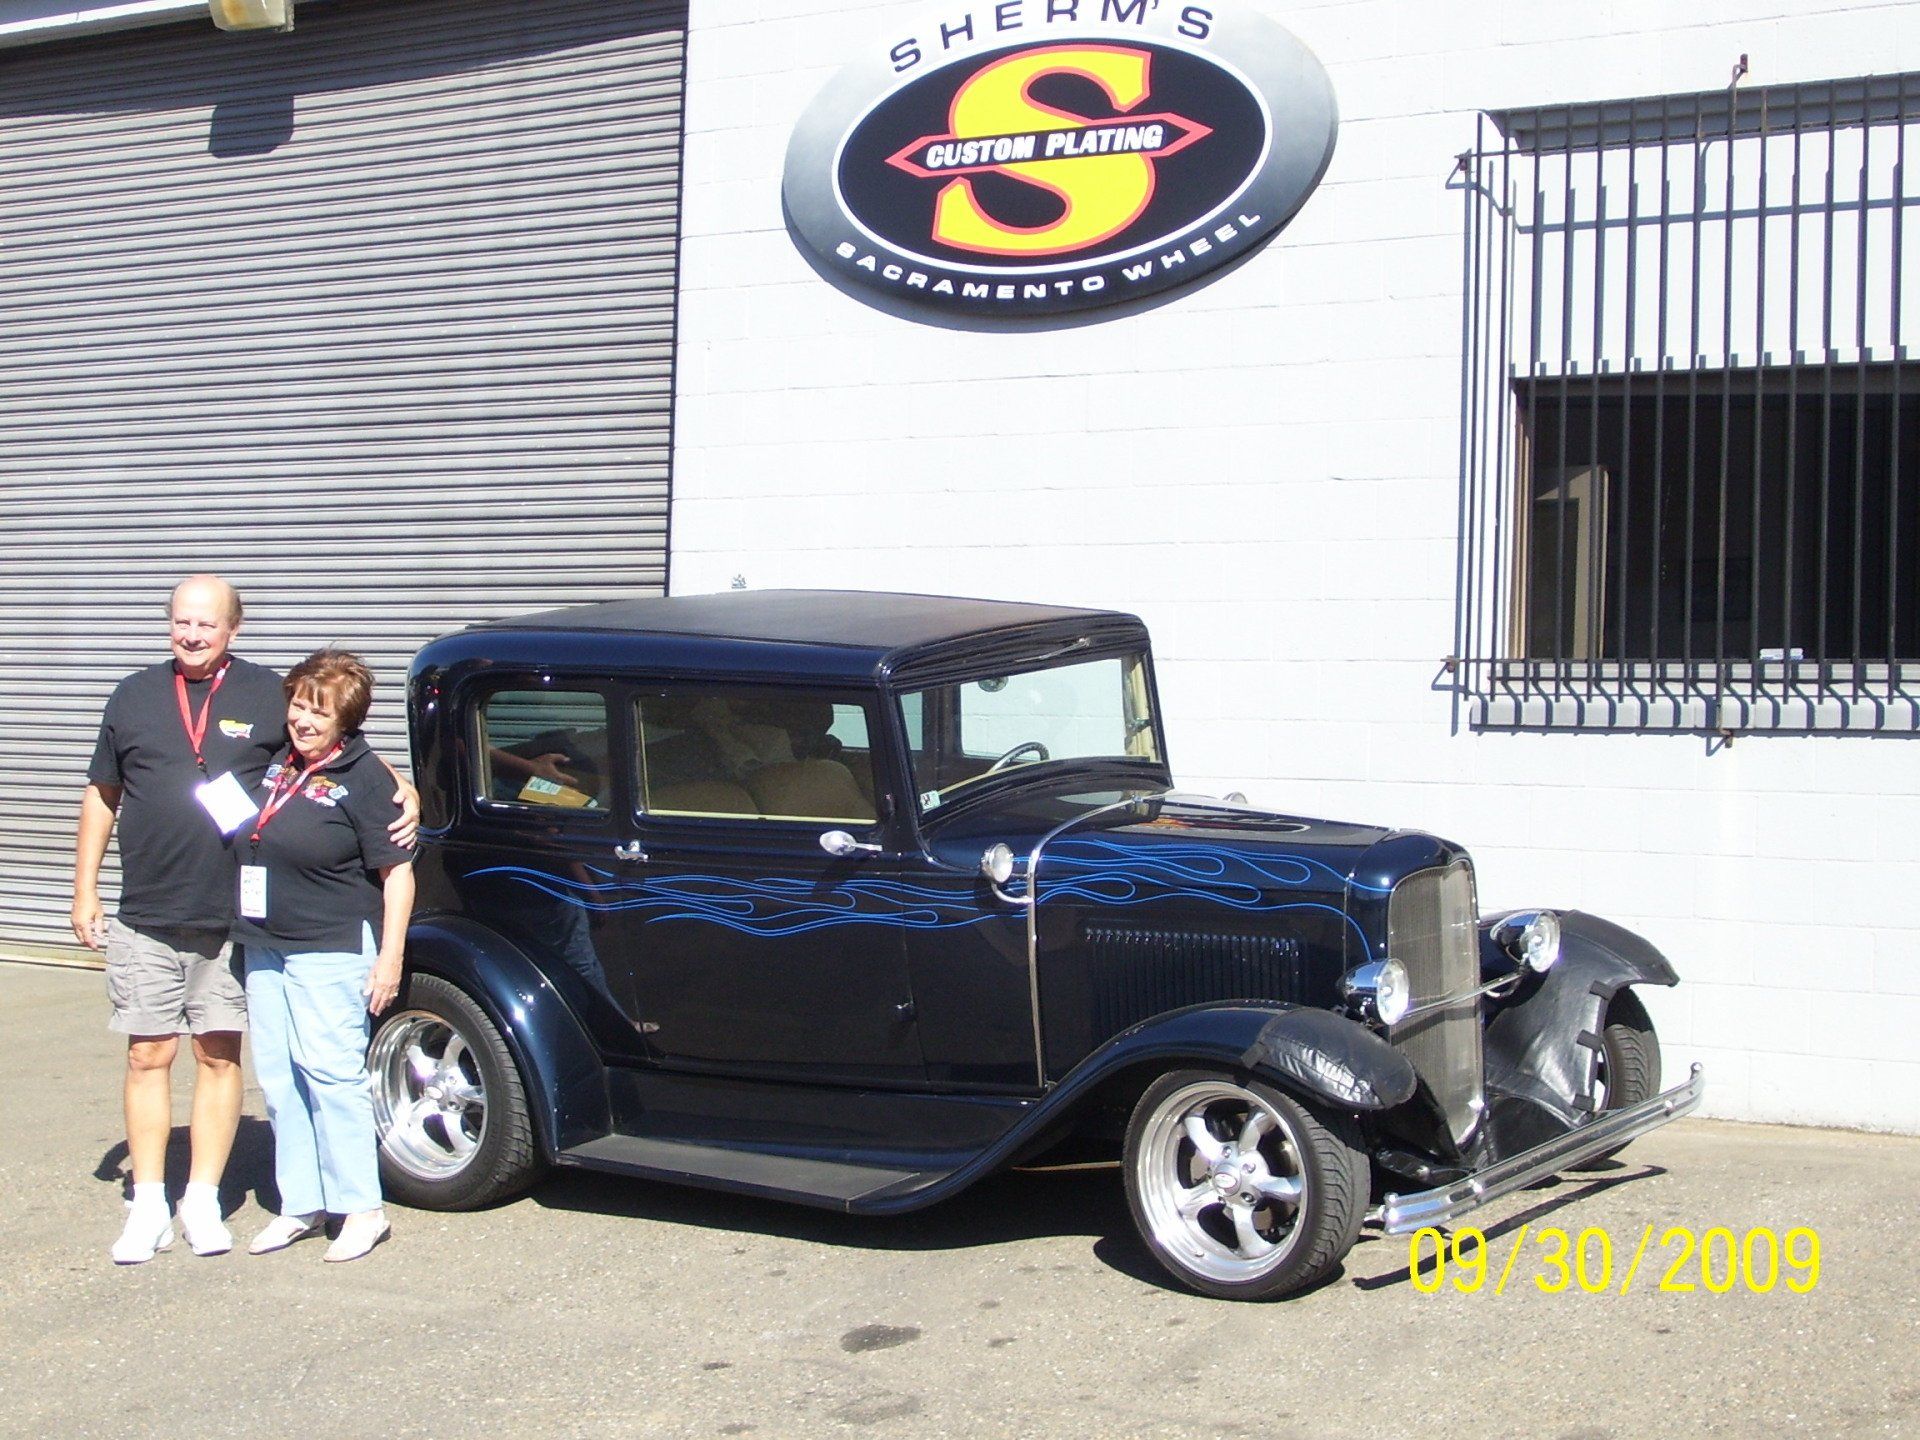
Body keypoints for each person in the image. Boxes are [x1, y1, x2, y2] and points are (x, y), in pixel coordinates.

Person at [73, 576, 417, 1264]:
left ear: (234, 628)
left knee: (234, 1059)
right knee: (181, 1060)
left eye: (206, 623)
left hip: (238, 922)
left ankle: (211, 1199)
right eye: (181, 622)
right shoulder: (135, 694)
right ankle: (165, 1204)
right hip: (168, 914)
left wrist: (399, 785)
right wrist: (84, 890)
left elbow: (341, 741)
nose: (191, 634)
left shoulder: (266, 691)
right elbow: (102, 793)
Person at [234, 649, 414, 1264]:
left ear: (348, 720)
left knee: (332, 1078)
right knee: (280, 1081)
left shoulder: (367, 777)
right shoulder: (278, 764)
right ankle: (301, 1204)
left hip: (332, 946)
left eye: (320, 711)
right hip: (266, 945)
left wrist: (389, 958)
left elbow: (398, 875)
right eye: (299, 705)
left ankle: (361, 1208)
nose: (304, 720)